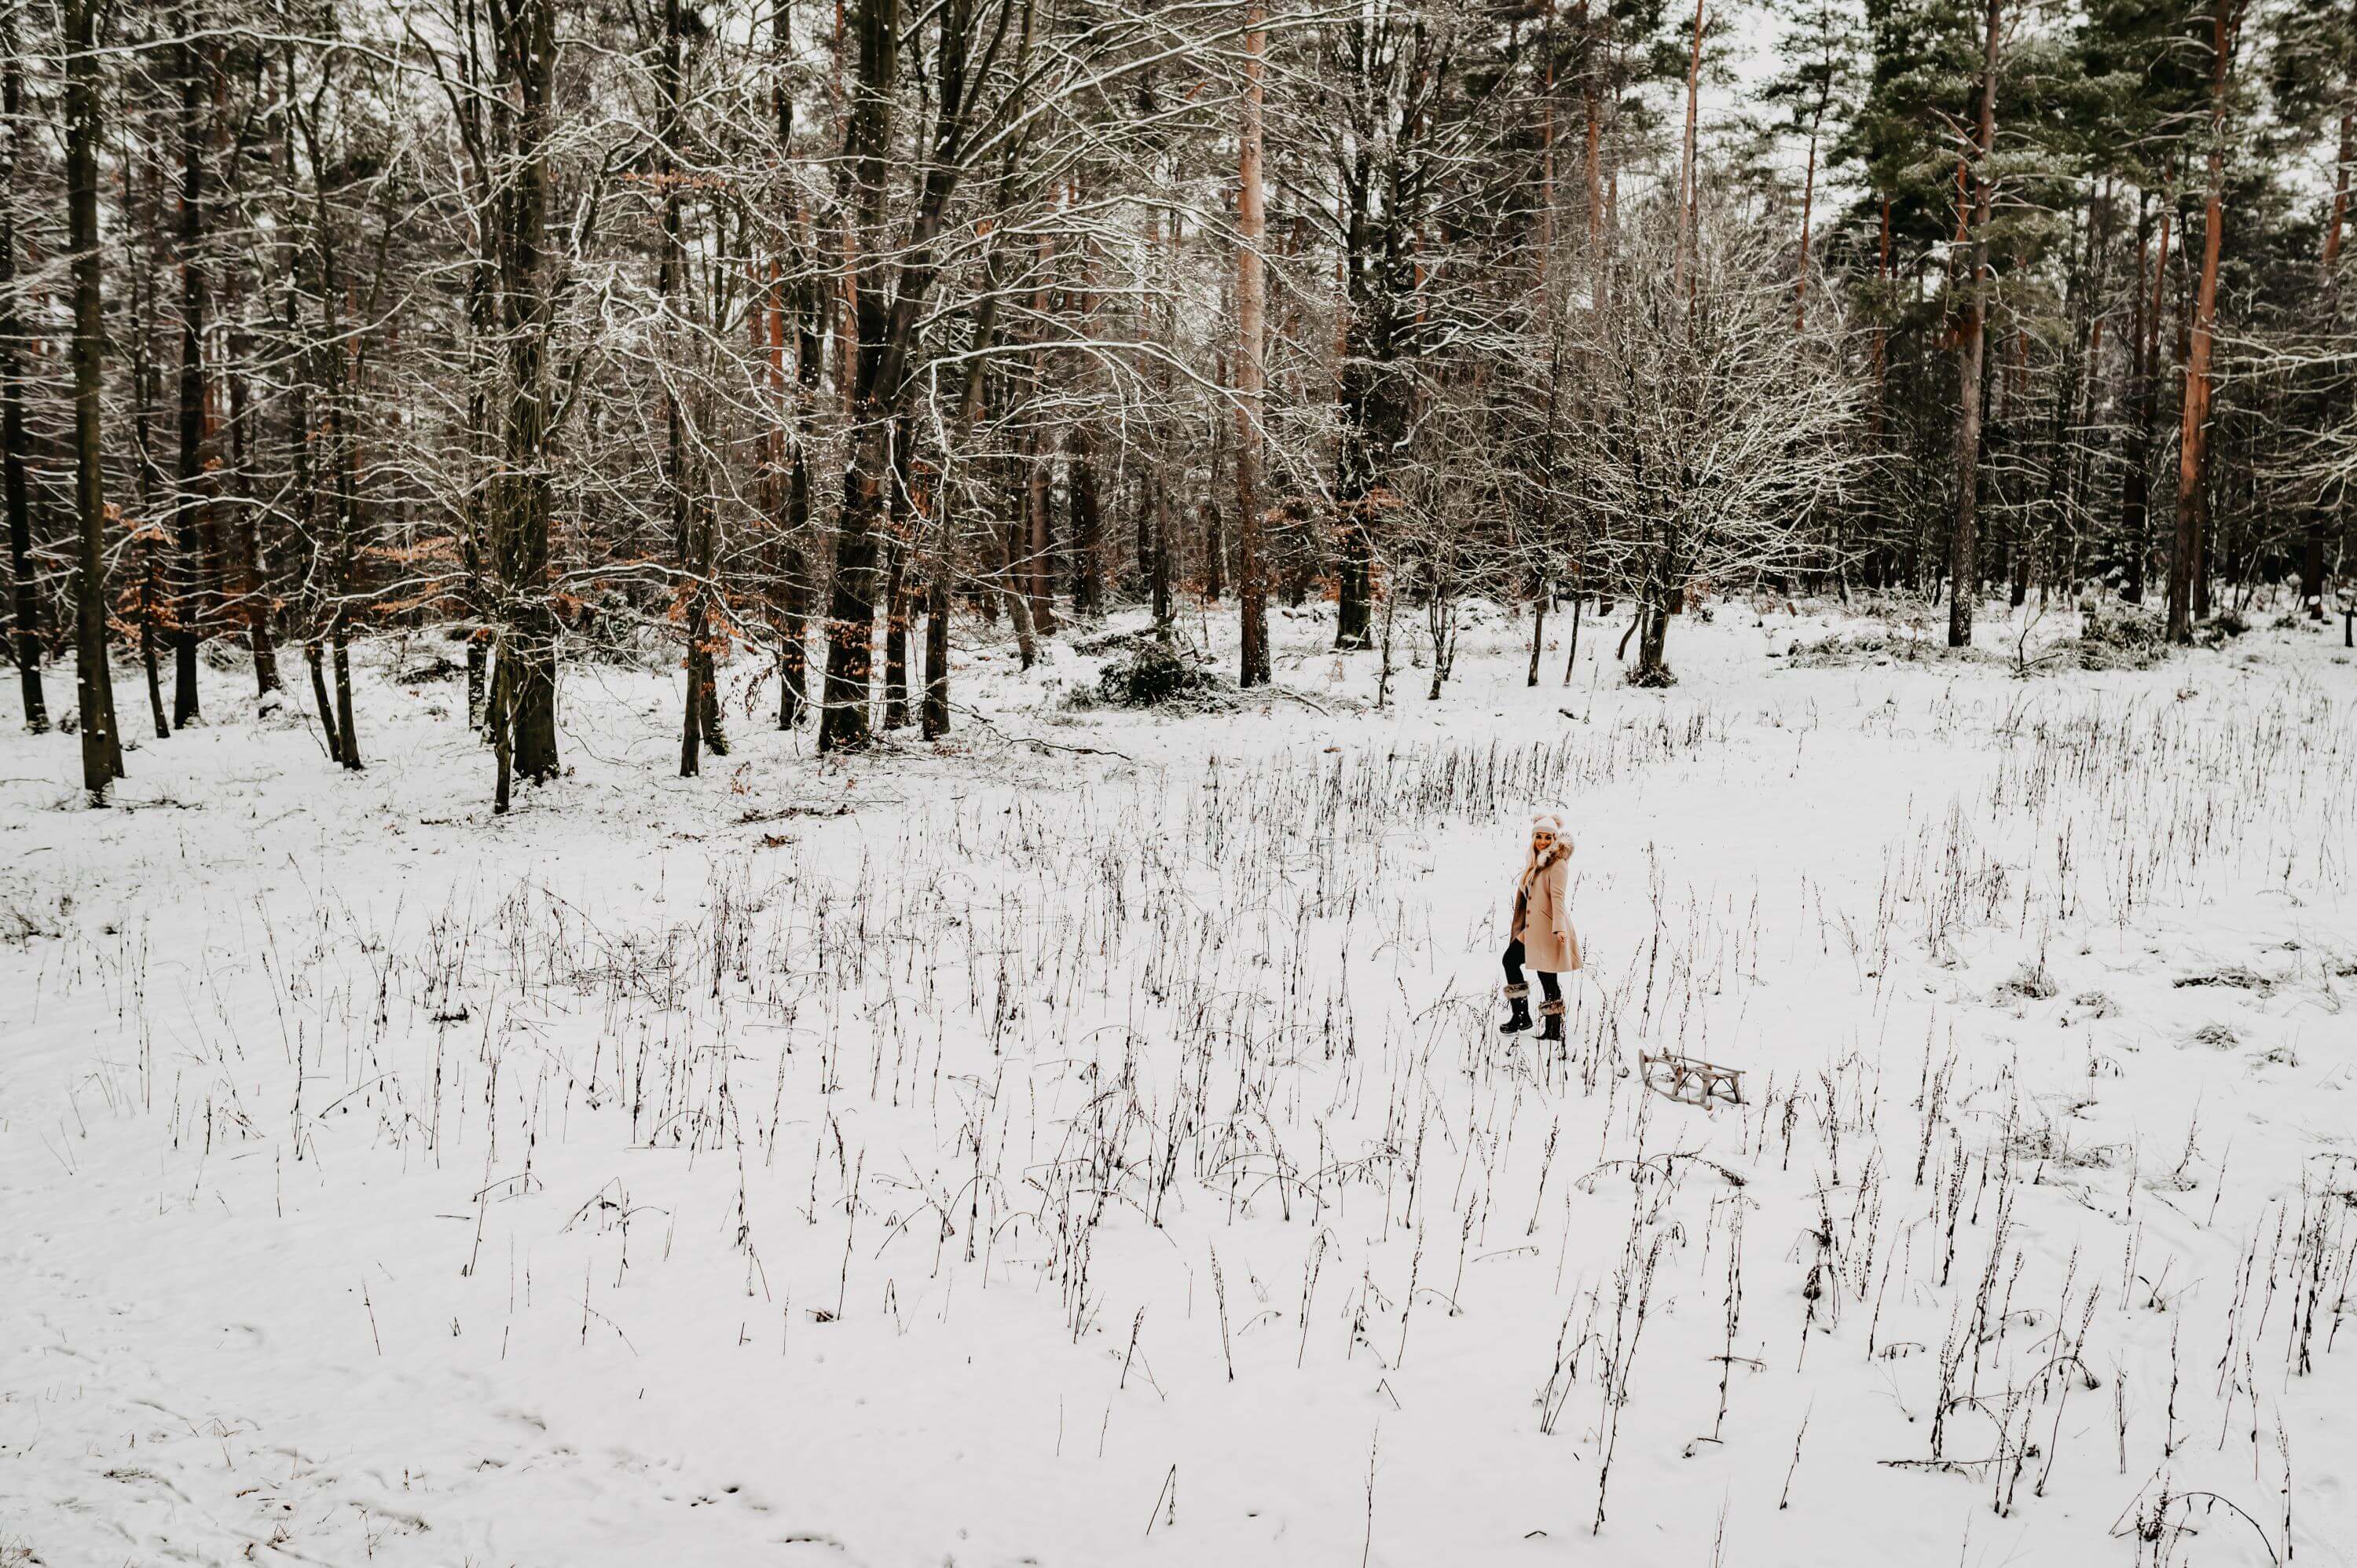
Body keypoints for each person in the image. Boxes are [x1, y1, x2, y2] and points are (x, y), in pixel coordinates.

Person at [1501, 812, 1581, 1041]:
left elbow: (1558, 899)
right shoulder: (1535, 861)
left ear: (1555, 838)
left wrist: (1560, 929)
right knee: (1511, 961)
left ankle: (1554, 1029)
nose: (1543, 841)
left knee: (1547, 978)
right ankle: (1522, 1015)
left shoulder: (1558, 865)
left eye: (1548, 837)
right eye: (1539, 836)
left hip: (1548, 929)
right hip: (1532, 929)